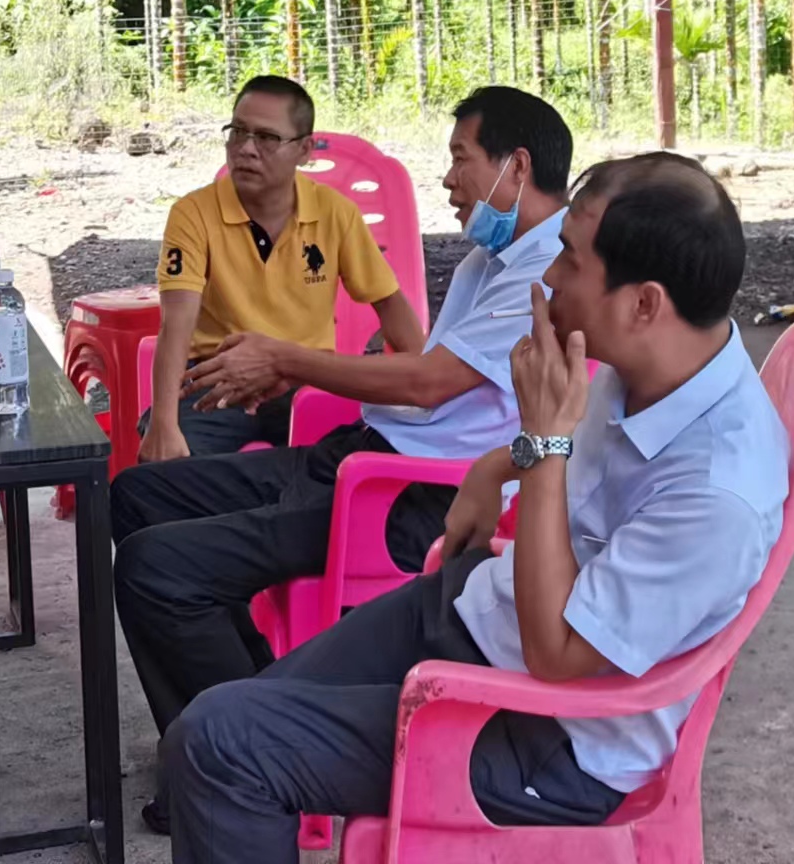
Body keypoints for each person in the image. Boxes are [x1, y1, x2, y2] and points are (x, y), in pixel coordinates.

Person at [158, 152, 786, 860]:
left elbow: (557, 655)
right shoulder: (654, 364)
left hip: (548, 735)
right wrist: (499, 464)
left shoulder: (717, 492)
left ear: (644, 304)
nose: (548, 278)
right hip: (483, 608)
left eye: (571, 262)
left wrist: (541, 442)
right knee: (209, 729)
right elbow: (571, 458)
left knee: (221, 748)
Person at [111, 86, 573, 834]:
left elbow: (427, 383)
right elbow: (419, 367)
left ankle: (239, 750)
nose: (447, 179)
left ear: (515, 167)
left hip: (398, 494)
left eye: (460, 159)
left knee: (154, 568)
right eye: (237, 133)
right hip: (355, 450)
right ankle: (240, 720)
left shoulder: (544, 271)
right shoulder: (487, 262)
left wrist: (290, 361)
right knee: (138, 494)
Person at [145, 74, 421, 459]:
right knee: (166, 471)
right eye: (237, 132)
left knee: (361, 455)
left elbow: (389, 303)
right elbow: (176, 323)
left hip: (307, 380)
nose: (246, 149)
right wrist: (163, 423)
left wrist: (426, 384)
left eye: (266, 137)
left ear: (304, 150)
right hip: (218, 379)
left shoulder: (335, 213)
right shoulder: (193, 214)